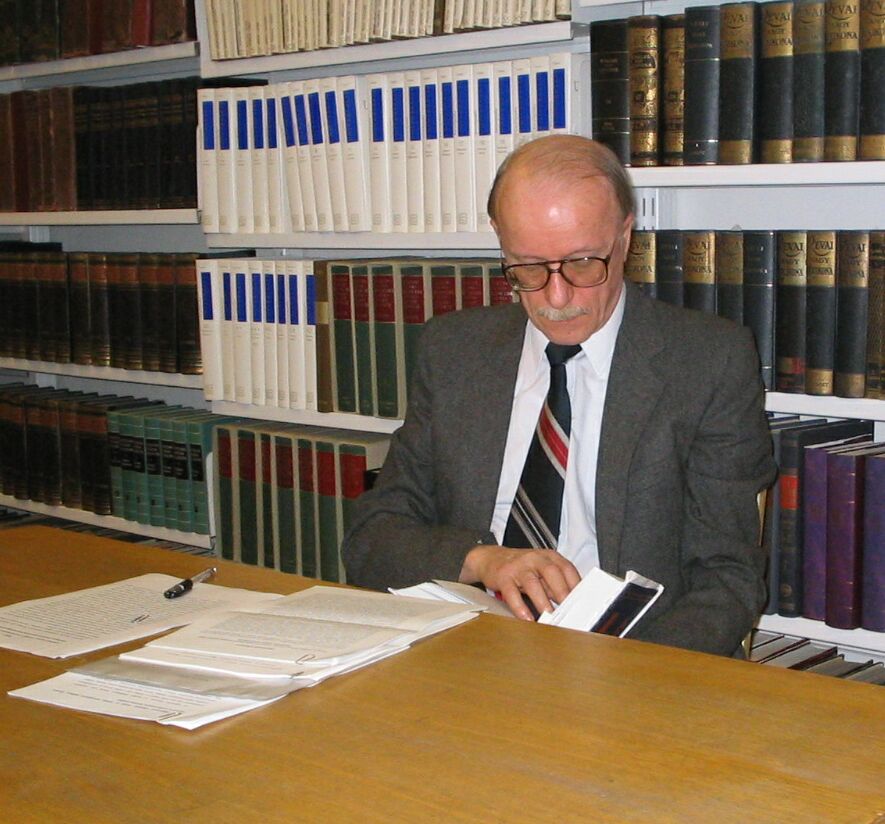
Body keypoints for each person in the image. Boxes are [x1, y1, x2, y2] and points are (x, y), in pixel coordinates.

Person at [341, 135, 776, 657]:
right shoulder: (455, 351)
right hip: (469, 653)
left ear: (624, 238)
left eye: (583, 263)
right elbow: (372, 538)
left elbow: (727, 577)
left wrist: (632, 676)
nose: (557, 296)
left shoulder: (707, 361)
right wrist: (483, 561)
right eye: (527, 267)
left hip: (632, 659)